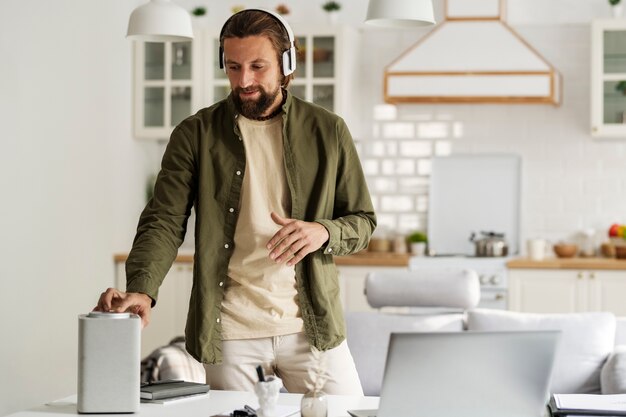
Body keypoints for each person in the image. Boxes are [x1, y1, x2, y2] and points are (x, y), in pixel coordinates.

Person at [95, 9, 376, 395]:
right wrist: (142, 288)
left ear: (286, 63)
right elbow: (163, 220)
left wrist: (322, 232)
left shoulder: (328, 130)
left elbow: (363, 221)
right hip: (230, 333)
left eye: (258, 66)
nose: (244, 80)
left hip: (313, 328)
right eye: (233, 67)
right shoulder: (195, 133)